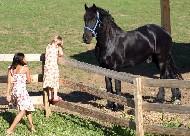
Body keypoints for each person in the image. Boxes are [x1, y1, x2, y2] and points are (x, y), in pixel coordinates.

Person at [6, 53, 35, 134]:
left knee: (27, 108)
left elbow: (9, 82)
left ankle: (32, 126)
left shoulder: (11, 68)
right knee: (23, 111)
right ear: (20, 60)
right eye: (24, 58)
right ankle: (10, 129)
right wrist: (24, 80)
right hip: (22, 92)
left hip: (15, 91)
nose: (26, 59)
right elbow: (29, 81)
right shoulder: (25, 69)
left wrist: (8, 94)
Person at [43, 35, 64, 104]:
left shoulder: (48, 46)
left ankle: (49, 96)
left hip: (47, 67)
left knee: (49, 80)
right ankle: (55, 96)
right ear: (58, 41)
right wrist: (60, 46)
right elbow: (61, 54)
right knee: (55, 80)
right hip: (53, 66)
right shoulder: (57, 47)